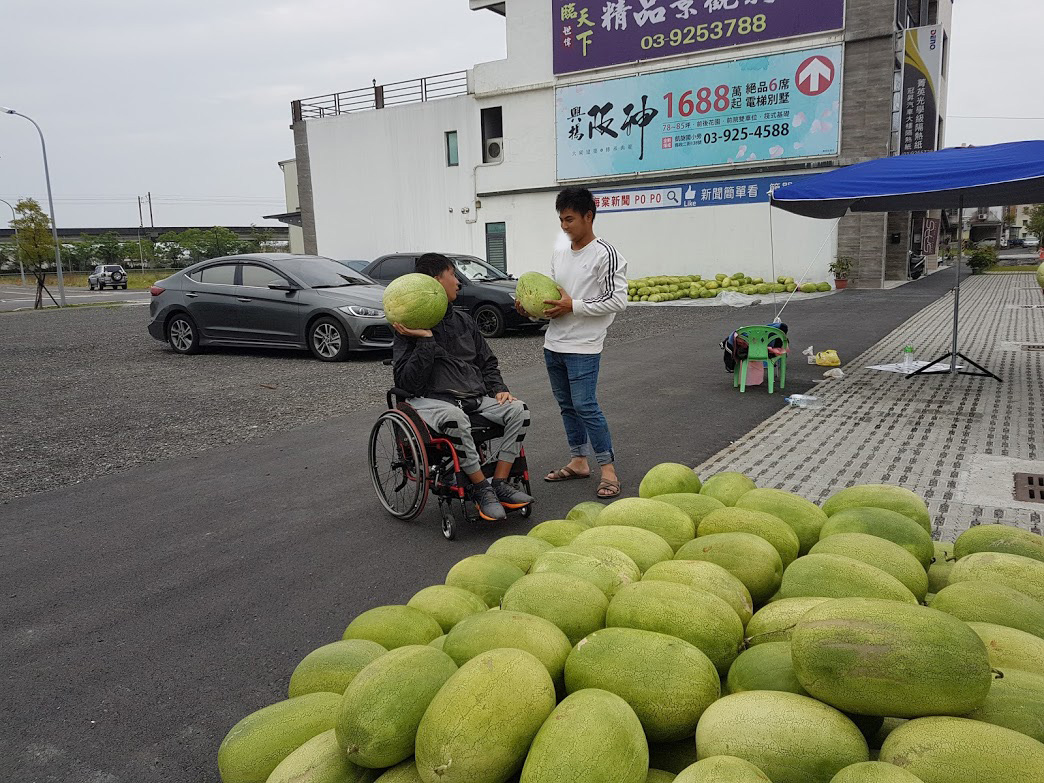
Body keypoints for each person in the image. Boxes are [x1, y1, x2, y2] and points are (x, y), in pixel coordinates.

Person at [391, 253, 534, 521]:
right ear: (435, 281)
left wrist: (499, 387)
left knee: (519, 411)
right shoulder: (409, 327)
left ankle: (500, 483)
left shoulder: (464, 320)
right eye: (453, 275)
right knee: (455, 419)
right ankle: (482, 489)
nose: (458, 282)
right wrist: (425, 340)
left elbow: (487, 360)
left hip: (473, 397)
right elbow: (406, 383)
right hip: (431, 402)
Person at [530, 186, 628, 499]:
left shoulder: (606, 254)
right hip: (554, 345)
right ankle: (578, 461)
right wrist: (531, 309)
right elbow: (555, 299)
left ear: (588, 216)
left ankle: (608, 470)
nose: (564, 225)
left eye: (570, 219)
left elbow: (618, 299)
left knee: (586, 406)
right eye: (561, 219)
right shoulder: (559, 254)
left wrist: (574, 305)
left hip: (584, 347)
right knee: (567, 407)